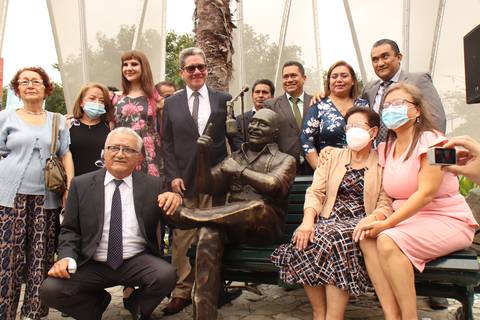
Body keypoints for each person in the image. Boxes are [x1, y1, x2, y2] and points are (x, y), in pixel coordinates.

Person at [355, 83, 477, 319]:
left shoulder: (435, 142)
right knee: (367, 239)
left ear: (418, 110)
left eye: (399, 104)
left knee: (388, 240)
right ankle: (392, 315)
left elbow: (426, 193)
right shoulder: (385, 148)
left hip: (446, 219)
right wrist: (377, 218)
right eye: (387, 105)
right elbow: (386, 195)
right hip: (408, 221)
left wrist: (387, 225)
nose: (391, 109)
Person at [165, 108, 296, 319]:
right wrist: (202, 154)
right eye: (253, 122)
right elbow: (206, 186)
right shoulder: (235, 157)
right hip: (232, 225)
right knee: (208, 232)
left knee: (258, 206)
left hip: (265, 227)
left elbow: (273, 185)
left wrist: (239, 171)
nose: (254, 127)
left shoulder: (285, 160)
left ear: (275, 132)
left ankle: (191, 216)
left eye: (262, 124)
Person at [39, 127, 180, 320]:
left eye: (128, 150)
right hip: (93, 261)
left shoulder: (153, 185)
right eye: (114, 148)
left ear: (139, 157)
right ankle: (95, 305)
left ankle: (136, 303)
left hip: (136, 259)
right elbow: (70, 229)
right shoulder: (81, 185)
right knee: (50, 289)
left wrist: (174, 200)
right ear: (104, 152)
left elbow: (172, 219)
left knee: (167, 275)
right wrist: (66, 257)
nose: (120, 154)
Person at [271, 107, 391, 320]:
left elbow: (384, 202)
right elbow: (315, 191)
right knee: (304, 239)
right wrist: (307, 221)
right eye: (349, 126)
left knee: (332, 240)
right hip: (328, 218)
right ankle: (320, 312)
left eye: (358, 126)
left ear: (373, 132)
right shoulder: (333, 156)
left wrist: (373, 219)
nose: (352, 131)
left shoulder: (383, 162)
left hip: (360, 222)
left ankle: (333, 316)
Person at [161, 47, 236, 315]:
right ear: (181, 72)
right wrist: (173, 177)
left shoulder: (223, 99)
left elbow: (233, 139)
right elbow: (167, 145)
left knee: (213, 234)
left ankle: (214, 289)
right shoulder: (171, 103)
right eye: (191, 68)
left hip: (215, 180)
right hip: (184, 181)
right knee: (182, 237)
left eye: (201, 67)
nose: (197, 72)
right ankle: (181, 292)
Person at [0, 66, 74, 320]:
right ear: (17, 89)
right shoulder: (5, 116)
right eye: (24, 82)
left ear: (46, 88)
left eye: (36, 81)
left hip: (47, 198)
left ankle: (33, 312)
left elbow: (65, 153)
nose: (30, 85)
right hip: (9, 198)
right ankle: (4, 313)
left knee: (40, 256)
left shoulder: (57, 119)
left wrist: (69, 185)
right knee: (7, 258)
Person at [363, 38, 446, 142]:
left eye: (385, 57)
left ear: (399, 57)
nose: (380, 63)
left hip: (412, 151)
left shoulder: (418, 80)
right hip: (378, 154)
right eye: (375, 59)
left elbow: (436, 119)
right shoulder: (369, 90)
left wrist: (430, 148)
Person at [301, 60, 369, 170]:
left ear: (353, 81)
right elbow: (306, 139)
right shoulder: (319, 105)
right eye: (334, 76)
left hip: (361, 169)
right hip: (330, 169)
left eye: (344, 76)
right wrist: (318, 167)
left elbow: (372, 136)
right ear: (329, 82)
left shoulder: (363, 106)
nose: (339, 80)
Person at [114, 50, 162, 177]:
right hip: (122, 153)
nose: (128, 68)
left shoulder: (155, 96)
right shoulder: (117, 98)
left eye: (134, 64)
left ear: (143, 67)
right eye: (125, 64)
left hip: (150, 154)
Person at [264, 61, 313, 174]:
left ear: (304, 78)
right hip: (282, 168)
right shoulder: (270, 105)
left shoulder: (316, 102)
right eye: (285, 77)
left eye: (293, 75)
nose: (289, 80)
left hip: (314, 167)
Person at [70, 83, 114, 176]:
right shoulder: (68, 125)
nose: (97, 103)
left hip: (103, 181)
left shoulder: (110, 126)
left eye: (101, 100)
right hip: (75, 182)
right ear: (81, 102)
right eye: (92, 98)